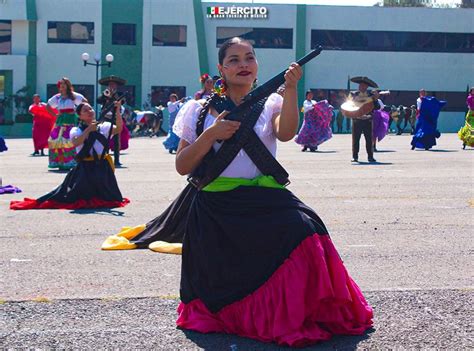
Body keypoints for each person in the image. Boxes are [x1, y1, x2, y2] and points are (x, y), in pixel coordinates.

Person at [102, 37, 372, 347]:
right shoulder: (197, 109)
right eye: (233, 59)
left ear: (257, 65)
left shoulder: (270, 103)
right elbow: (182, 165)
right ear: (221, 69)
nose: (243, 64)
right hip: (216, 204)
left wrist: (293, 89)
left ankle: (295, 312)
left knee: (306, 227)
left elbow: (286, 134)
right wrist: (212, 134)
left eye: (249, 57)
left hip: (266, 198)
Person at [10, 102, 129, 210]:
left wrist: (117, 111)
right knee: (76, 197)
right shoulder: (75, 130)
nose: (90, 112)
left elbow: (118, 128)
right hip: (86, 167)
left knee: (110, 199)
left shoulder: (104, 126)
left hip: (102, 166)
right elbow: (76, 142)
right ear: (80, 116)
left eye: (90, 109)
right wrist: (88, 130)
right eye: (85, 110)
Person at [46, 77, 86, 170]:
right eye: (61, 84)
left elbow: (85, 102)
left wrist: (79, 113)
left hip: (71, 120)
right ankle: (59, 162)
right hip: (60, 120)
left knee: (69, 140)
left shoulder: (73, 96)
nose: (62, 86)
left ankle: (71, 162)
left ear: (68, 85)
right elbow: (48, 106)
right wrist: (55, 115)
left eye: (64, 84)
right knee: (55, 140)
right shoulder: (57, 97)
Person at [97, 75, 130, 167]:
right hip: (105, 118)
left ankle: (117, 160)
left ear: (116, 86)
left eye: (113, 85)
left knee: (116, 140)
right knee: (104, 138)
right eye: (110, 84)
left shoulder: (119, 94)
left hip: (115, 118)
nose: (111, 86)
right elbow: (98, 101)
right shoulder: (104, 93)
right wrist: (106, 96)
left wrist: (113, 96)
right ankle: (105, 157)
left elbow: (122, 102)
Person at [348, 76, 380, 163]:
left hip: (368, 120)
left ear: (366, 87)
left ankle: (370, 156)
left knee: (369, 139)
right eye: (360, 85)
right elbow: (349, 105)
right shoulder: (353, 94)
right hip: (357, 120)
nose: (361, 87)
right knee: (355, 139)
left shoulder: (371, 96)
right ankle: (355, 157)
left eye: (363, 86)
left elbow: (377, 107)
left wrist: (376, 99)